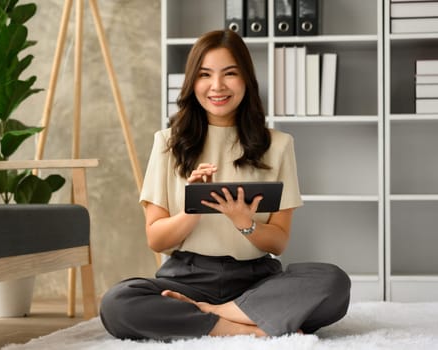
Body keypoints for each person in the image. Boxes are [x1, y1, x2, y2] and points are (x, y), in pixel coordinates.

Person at [99, 29, 351, 340]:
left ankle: (212, 313)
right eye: (205, 75)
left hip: (256, 281)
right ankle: (243, 327)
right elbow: (157, 239)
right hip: (187, 277)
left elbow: (278, 243)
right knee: (117, 303)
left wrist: (245, 224)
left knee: (333, 282)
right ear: (193, 82)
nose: (216, 86)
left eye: (229, 74)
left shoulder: (279, 145)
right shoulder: (167, 143)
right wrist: (194, 209)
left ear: (246, 79)